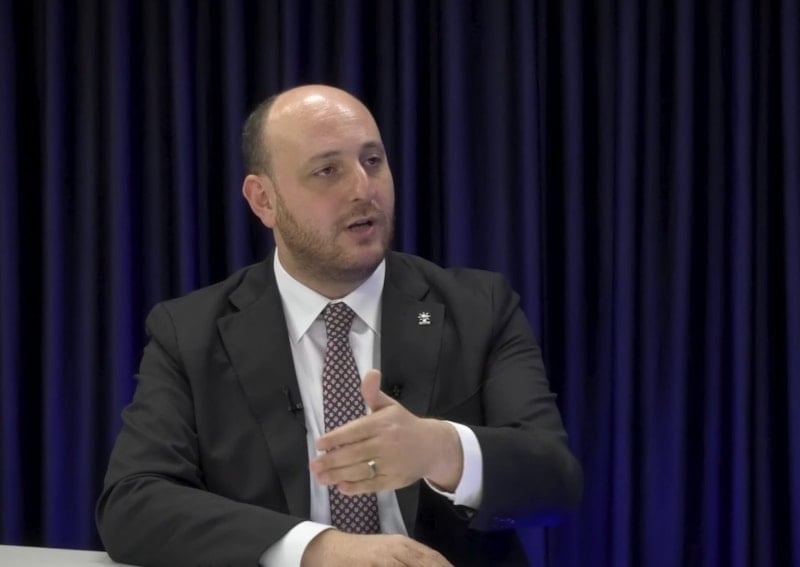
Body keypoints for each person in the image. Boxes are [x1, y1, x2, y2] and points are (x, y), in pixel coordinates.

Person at [96, 84, 582, 567]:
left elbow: (556, 482)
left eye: (373, 161)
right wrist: (315, 548)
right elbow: (133, 502)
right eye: (327, 170)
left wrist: (441, 450)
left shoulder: (478, 308)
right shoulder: (190, 332)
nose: (363, 189)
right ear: (263, 200)